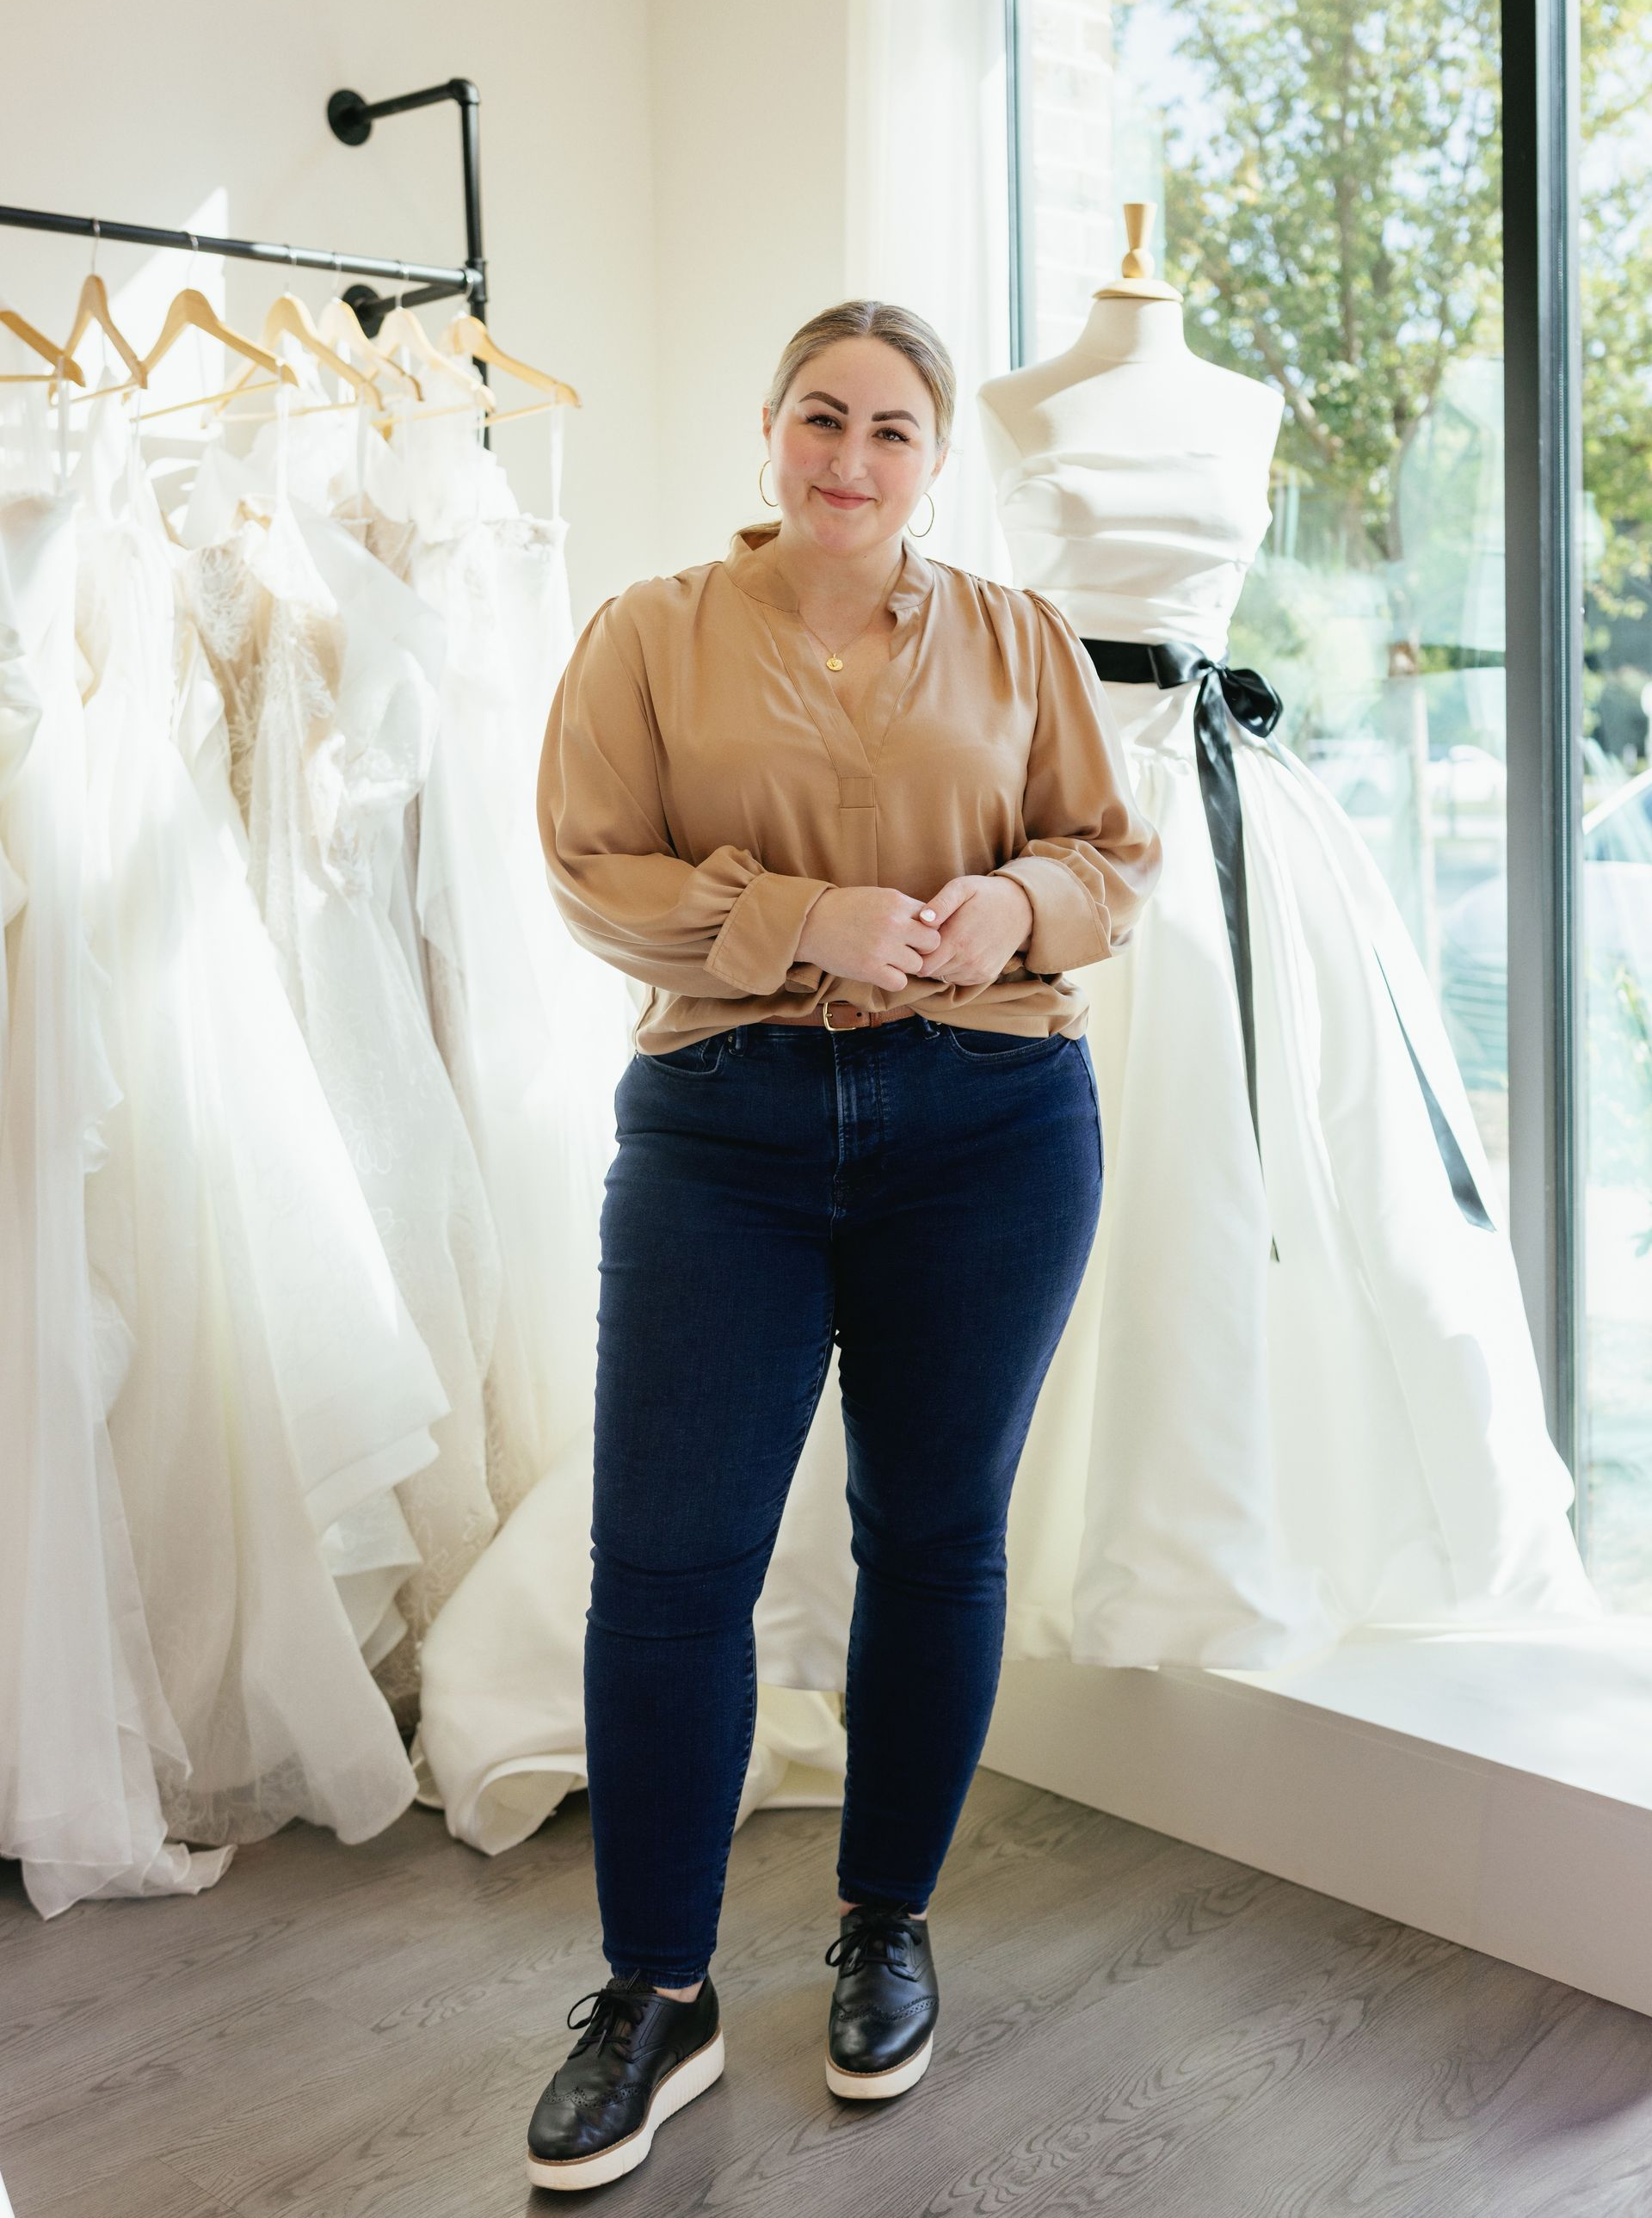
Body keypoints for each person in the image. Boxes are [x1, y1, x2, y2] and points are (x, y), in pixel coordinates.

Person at [524, 299, 1163, 2190]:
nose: (852, 460)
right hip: (725, 1133)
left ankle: (885, 1919)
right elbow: (589, 863)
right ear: (770, 428)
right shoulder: (647, 634)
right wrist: (805, 917)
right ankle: (657, 1991)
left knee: (937, 1536)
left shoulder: (1018, 635)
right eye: (824, 418)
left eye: (894, 430)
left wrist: (1013, 904)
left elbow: (1109, 854)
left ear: (935, 457)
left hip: (993, 1126)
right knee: (663, 1562)